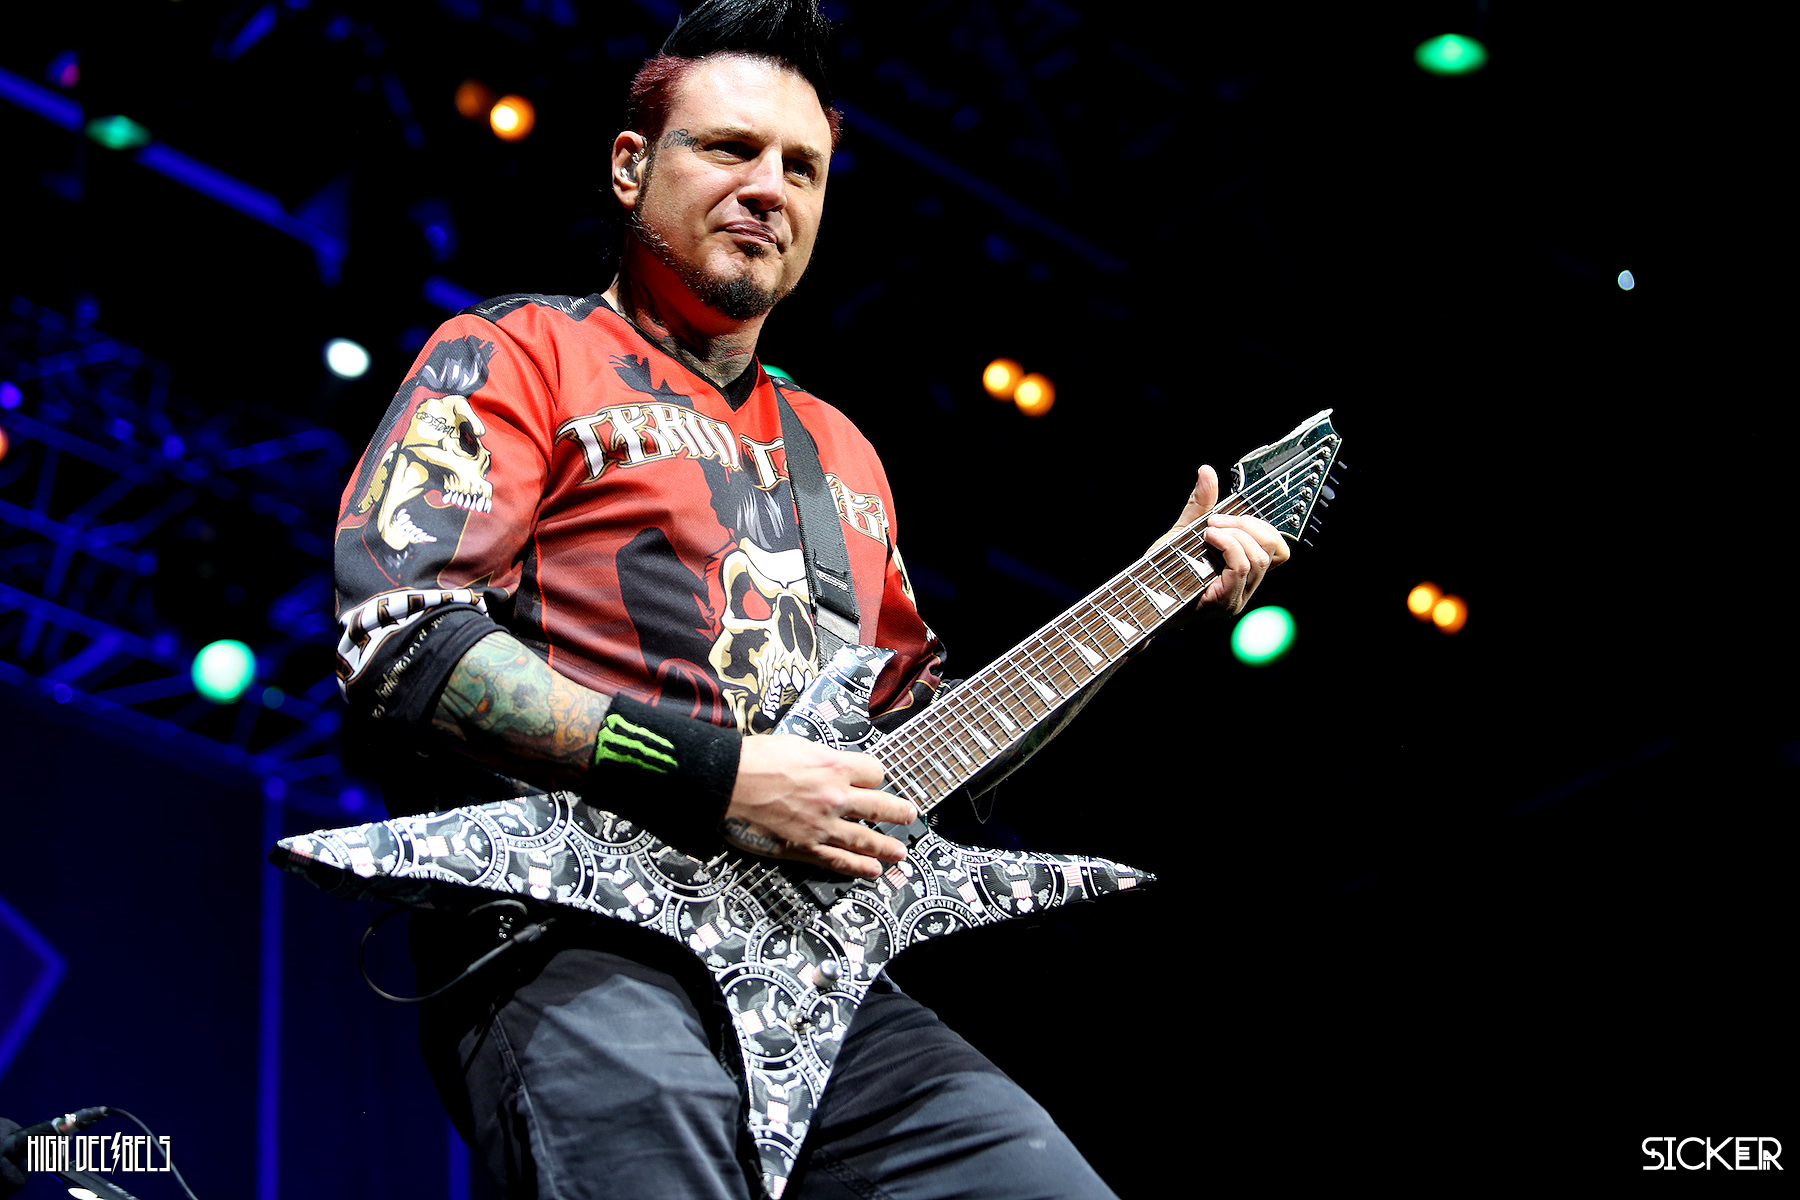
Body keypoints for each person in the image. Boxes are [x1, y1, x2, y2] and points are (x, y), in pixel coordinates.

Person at [331, 1, 1288, 1196]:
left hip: (814, 983)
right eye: (729, 149)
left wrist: (1145, 608)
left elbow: (926, 758)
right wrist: (720, 777)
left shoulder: (840, 454)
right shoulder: (520, 352)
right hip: (573, 940)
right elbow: (406, 641)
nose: (767, 189)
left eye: (801, 167)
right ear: (630, 167)